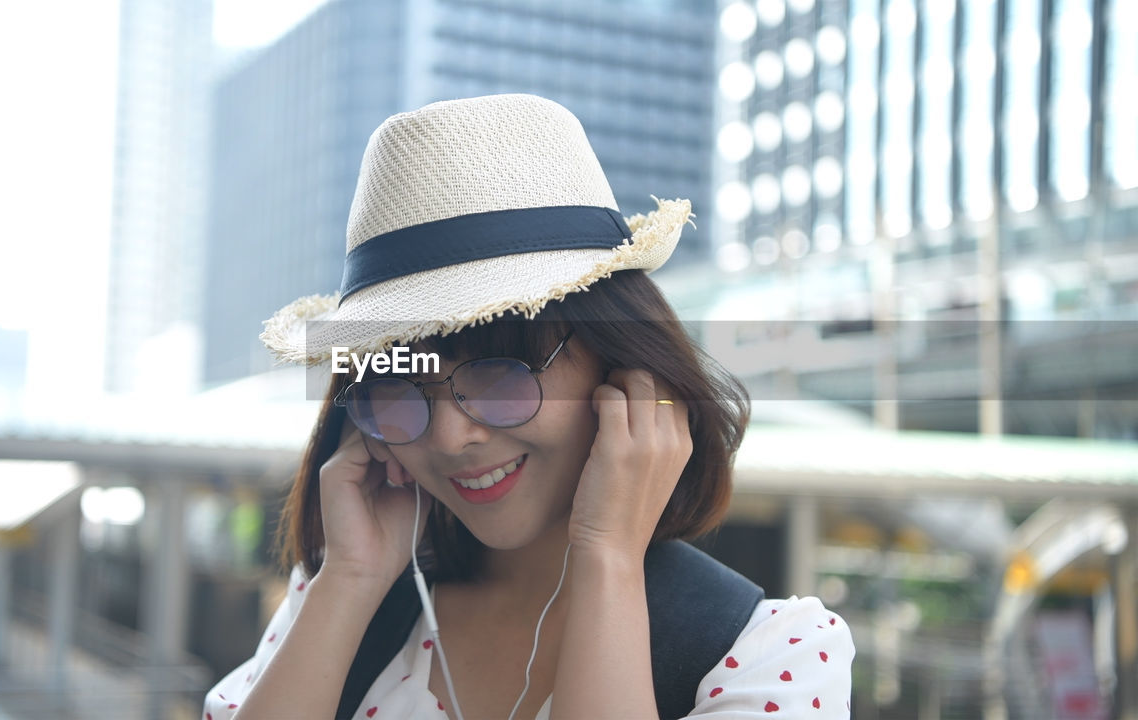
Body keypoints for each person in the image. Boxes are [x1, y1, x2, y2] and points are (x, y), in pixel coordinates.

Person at [205, 94, 853, 720]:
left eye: (501, 374)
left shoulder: (772, 654)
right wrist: (348, 579)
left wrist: (607, 557)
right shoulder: (333, 608)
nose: (453, 436)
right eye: (402, 390)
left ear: (622, 365)